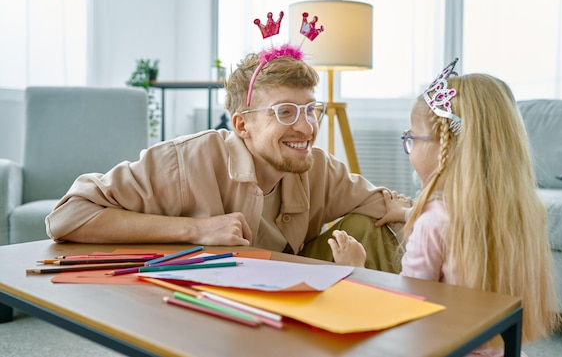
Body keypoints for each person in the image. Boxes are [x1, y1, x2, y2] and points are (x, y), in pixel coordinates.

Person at [45, 46, 409, 273]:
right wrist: (196, 230)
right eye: (284, 112)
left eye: (311, 110)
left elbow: (386, 205)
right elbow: (67, 216)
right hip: (202, 303)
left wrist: (409, 210)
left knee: (365, 225)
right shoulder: (185, 160)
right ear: (242, 125)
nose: (306, 126)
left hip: (280, 299)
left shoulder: (317, 165)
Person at [332, 59, 562, 355]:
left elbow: (403, 311)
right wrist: (406, 215)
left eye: (411, 138)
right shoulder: (524, 211)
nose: (409, 148)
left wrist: (355, 270)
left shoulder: (433, 223)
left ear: (447, 147)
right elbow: (465, 229)